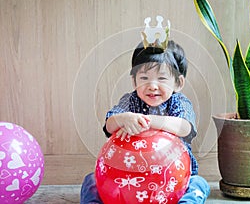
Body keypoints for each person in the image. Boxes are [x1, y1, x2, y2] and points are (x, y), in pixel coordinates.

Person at [80, 38, 210, 203]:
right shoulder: (130, 101)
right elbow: (109, 125)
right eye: (144, 78)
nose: (152, 86)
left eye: (162, 79)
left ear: (178, 83)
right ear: (134, 81)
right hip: (128, 174)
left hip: (175, 176)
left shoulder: (179, 102)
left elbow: (184, 127)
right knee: (91, 180)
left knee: (198, 184)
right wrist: (123, 118)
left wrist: (148, 121)